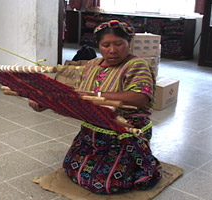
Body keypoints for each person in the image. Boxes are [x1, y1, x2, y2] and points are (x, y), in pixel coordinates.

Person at [29, 19, 162, 194]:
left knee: (104, 182)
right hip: (93, 129)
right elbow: (75, 94)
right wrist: (45, 103)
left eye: (119, 44)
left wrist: (96, 96)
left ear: (129, 43)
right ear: (99, 46)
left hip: (124, 130)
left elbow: (140, 98)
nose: (112, 50)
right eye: (106, 45)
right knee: (71, 167)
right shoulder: (92, 65)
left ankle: (138, 161)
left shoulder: (137, 65)